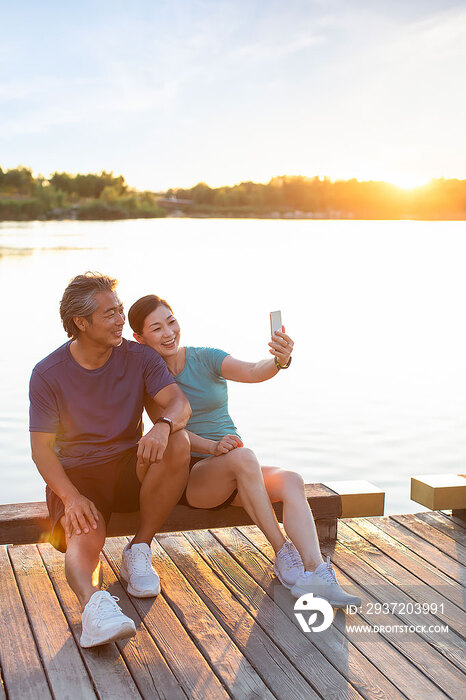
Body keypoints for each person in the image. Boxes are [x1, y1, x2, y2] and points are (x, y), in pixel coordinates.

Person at [128, 295, 361, 608]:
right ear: (140, 339)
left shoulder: (205, 357)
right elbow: (171, 430)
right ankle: (282, 554)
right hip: (193, 476)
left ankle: (317, 573)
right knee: (244, 456)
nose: (168, 332)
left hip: (238, 471)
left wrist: (279, 361)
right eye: (156, 328)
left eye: (171, 321)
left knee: (291, 479)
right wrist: (213, 446)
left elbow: (252, 370)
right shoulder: (152, 378)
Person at [29, 273, 191, 648]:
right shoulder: (47, 373)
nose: (121, 320)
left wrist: (162, 425)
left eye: (120, 310)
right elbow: (41, 450)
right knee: (84, 537)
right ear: (81, 323)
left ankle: (140, 549)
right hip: (76, 474)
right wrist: (70, 497)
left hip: (128, 466)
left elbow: (180, 404)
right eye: (110, 314)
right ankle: (95, 607)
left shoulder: (140, 357)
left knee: (178, 442)